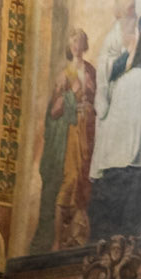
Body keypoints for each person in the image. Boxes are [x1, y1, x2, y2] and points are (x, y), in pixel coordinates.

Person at [88, 0, 141, 238]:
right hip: (120, 108)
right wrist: (127, 56)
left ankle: (139, 220)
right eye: (127, 9)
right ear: (118, 12)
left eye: (133, 7)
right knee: (118, 157)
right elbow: (106, 70)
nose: (131, 12)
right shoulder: (113, 37)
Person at [32, 28, 96, 252]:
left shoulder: (90, 70)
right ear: (69, 47)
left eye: (79, 40)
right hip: (72, 131)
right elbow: (54, 110)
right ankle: (59, 239)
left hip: (89, 129)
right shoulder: (64, 74)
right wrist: (70, 98)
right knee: (70, 179)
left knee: (84, 180)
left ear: (84, 44)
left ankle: (79, 235)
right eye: (73, 41)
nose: (76, 45)